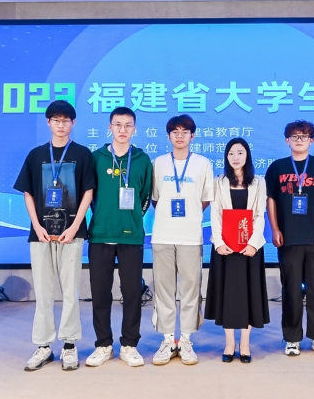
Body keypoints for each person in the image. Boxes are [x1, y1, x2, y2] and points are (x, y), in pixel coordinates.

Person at [13, 100, 95, 371]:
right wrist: (36, 225)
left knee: (70, 291)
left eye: (65, 120)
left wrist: (75, 226)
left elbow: (88, 193)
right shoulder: (36, 155)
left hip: (72, 233)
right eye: (56, 120)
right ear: (48, 122)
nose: (61, 125)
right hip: (41, 234)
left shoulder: (82, 154)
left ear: (73, 123)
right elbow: (28, 193)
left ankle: (70, 345)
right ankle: (43, 346)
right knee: (43, 292)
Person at [265, 120, 314, 357]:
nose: (299, 140)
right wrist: (275, 229)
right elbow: (271, 200)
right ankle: (292, 339)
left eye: (304, 136)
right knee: (291, 292)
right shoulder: (277, 167)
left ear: (312, 140)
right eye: (295, 136)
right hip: (288, 239)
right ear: (287, 140)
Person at [85, 107, 153, 368]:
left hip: (131, 235)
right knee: (100, 292)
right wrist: (104, 215)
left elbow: (145, 196)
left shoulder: (142, 160)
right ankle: (103, 344)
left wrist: (131, 219)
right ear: (109, 127)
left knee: (132, 292)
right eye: (118, 124)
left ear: (134, 129)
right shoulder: (96, 158)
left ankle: (129, 345)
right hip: (100, 234)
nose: (122, 130)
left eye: (128, 125)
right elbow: (90, 196)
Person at [150, 114, 214, 365]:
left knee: (190, 289)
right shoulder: (158, 163)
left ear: (192, 136)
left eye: (184, 131)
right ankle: (168, 339)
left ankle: (186, 339)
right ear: (168, 136)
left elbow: (206, 198)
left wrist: (191, 214)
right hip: (163, 235)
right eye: (175, 132)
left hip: (190, 236)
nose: (179, 135)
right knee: (164, 289)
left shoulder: (202, 163)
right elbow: (155, 198)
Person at [205, 137, 270, 363]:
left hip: (249, 248)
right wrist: (218, 242)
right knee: (228, 295)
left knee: (248, 295)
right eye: (231, 153)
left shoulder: (258, 182)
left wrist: (253, 243)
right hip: (226, 247)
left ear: (247, 155)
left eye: (240, 153)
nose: (235, 157)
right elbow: (215, 213)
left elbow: (260, 214)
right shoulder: (219, 181)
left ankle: (245, 343)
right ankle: (229, 343)